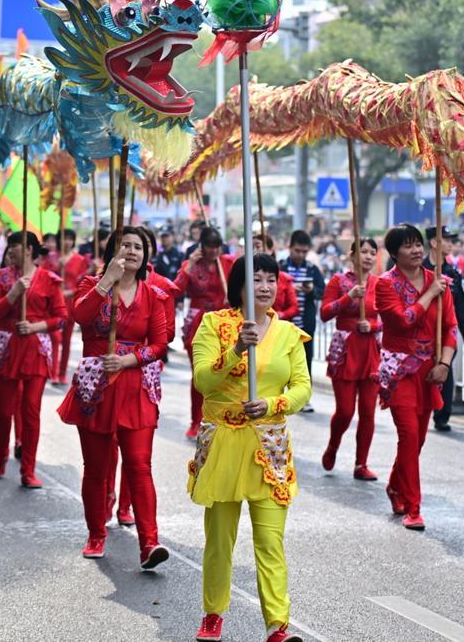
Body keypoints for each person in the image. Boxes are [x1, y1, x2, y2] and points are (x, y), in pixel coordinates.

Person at [188, 253, 311, 642]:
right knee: (220, 539)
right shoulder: (213, 325)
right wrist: (236, 351)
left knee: (270, 540)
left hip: (269, 446)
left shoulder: (289, 334)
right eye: (256, 279)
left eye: (271, 279)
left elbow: (302, 387)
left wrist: (275, 404)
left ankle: (278, 624)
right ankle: (213, 614)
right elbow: (203, 382)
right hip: (224, 442)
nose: (265, 287)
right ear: (239, 285)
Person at [57, 226, 171, 568]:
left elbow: (160, 344)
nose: (133, 251)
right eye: (126, 246)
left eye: (138, 247)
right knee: (96, 467)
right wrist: (107, 280)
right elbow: (79, 316)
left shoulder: (153, 296)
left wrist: (129, 359)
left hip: (135, 388)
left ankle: (149, 543)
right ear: (113, 252)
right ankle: (96, 533)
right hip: (97, 388)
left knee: (139, 465)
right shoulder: (91, 285)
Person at [374, 225, 457, 530]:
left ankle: (395, 485)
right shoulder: (385, 285)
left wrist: (444, 366)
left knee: (418, 439)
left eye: (418, 244)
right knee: (408, 434)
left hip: (431, 369)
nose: (417, 250)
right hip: (399, 370)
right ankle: (413, 506)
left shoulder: (441, 281)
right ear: (395, 253)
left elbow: (450, 328)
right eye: (408, 246)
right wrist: (429, 293)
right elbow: (403, 320)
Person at [0, 230, 67, 487]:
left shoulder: (49, 280)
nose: (11, 251)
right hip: (8, 348)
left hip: (36, 350)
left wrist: (35, 327)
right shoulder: (1, 278)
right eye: (10, 246)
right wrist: (13, 293)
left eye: (16, 246)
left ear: (30, 249)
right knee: (3, 410)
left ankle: (28, 470)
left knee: (31, 411)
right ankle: (1, 455)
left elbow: (61, 318)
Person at [319, 237, 382, 480]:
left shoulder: (380, 283)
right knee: (345, 411)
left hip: (370, 351)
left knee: (368, 411)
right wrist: (349, 297)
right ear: (352, 255)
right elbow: (325, 313)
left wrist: (373, 325)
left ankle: (361, 464)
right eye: (363, 251)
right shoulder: (339, 281)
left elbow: (387, 317)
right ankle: (333, 445)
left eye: (371, 252)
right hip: (345, 351)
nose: (367, 256)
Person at [173, 227, 236, 439]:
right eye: (210, 247)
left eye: (217, 246)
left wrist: (233, 297)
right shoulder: (191, 265)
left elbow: (241, 286)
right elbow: (176, 290)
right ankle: (195, 420)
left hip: (223, 321)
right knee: (200, 374)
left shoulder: (228, 263)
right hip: (198, 323)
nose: (214, 251)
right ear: (202, 246)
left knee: (226, 371)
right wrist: (189, 264)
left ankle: (219, 417)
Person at [427, 227, 464, 432]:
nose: (451, 243)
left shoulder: (452, 272)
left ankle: (443, 414)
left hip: (446, 331)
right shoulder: (419, 269)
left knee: (446, 369)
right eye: (447, 239)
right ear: (434, 242)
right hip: (424, 330)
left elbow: (460, 303)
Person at [280, 230, 324, 411]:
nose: (301, 255)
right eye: (297, 250)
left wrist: (311, 291)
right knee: (280, 360)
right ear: (290, 248)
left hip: (305, 324)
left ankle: (304, 398)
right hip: (283, 322)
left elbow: (323, 291)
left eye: (304, 252)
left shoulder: (313, 270)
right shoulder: (280, 267)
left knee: (305, 361)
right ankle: (280, 396)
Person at [53, 228, 88, 385]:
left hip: (70, 303)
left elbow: (82, 284)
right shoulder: (52, 258)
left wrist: (69, 292)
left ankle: (62, 374)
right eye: (63, 238)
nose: (66, 242)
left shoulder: (80, 260)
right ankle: (52, 372)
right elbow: (44, 276)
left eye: (69, 238)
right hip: (53, 304)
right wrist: (55, 268)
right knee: (55, 337)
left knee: (66, 340)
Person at [253, 235, 299, 323]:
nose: (254, 250)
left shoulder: (284, 278)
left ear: (270, 250)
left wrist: (280, 315)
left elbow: (294, 307)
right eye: (257, 280)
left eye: (258, 246)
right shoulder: (244, 277)